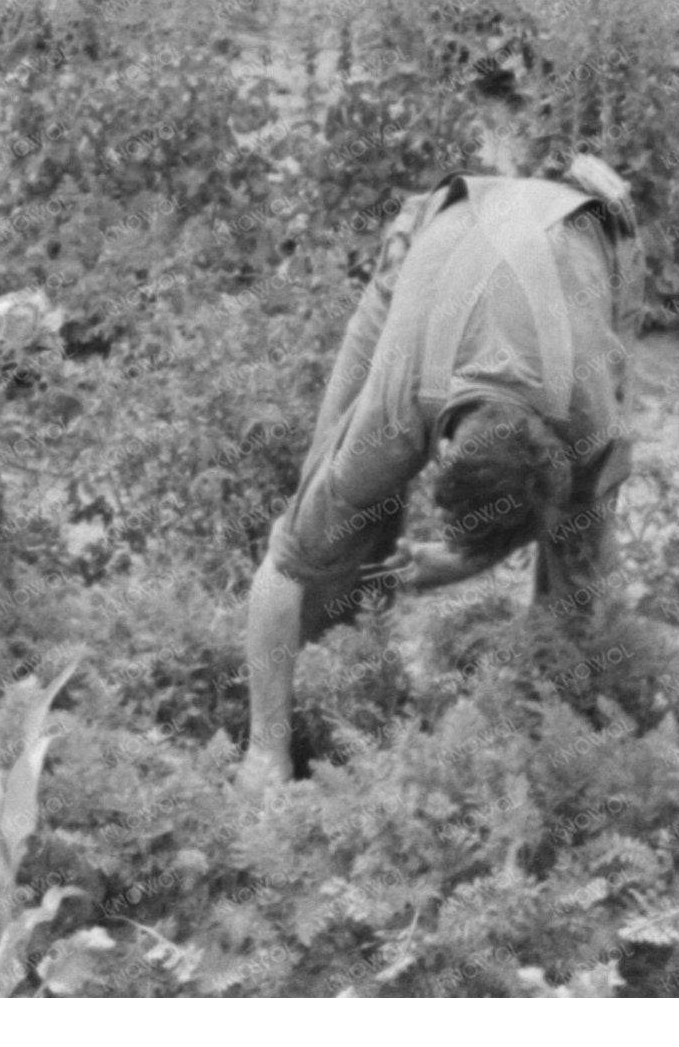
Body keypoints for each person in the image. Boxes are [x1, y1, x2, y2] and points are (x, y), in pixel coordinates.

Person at [240, 154, 640, 791]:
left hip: (581, 239)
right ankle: (319, 712)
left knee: (579, 564)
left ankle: (555, 749)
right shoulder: (393, 416)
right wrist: (265, 753)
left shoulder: (588, 418)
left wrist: (464, 557)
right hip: (437, 238)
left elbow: (559, 509)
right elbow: (282, 569)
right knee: (332, 538)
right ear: (441, 458)